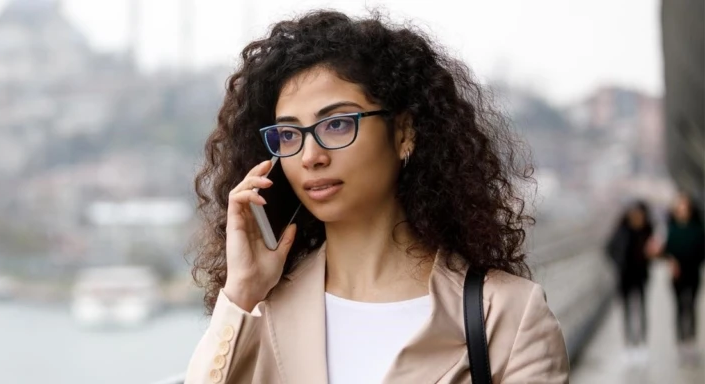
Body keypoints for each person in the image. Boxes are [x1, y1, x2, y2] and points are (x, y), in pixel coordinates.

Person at [185, 10, 569, 384]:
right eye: (289, 135)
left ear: (404, 132)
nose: (310, 156)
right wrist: (241, 292)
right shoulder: (260, 309)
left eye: (336, 124)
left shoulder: (506, 316)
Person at [659, 192, 705, 365]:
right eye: (679, 206)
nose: (682, 210)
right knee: (679, 308)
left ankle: (691, 342)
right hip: (676, 276)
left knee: (692, 307)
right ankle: (680, 343)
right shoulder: (670, 229)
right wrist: (670, 260)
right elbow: (664, 250)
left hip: (693, 274)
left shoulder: (698, 228)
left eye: (685, 206)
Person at [606, 201, 654, 360]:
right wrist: (618, 264)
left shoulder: (647, 231)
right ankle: (628, 344)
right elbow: (609, 248)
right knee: (626, 311)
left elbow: (652, 251)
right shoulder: (622, 231)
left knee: (641, 310)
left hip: (641, 276)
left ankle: (642, 344)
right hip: (625, 277)